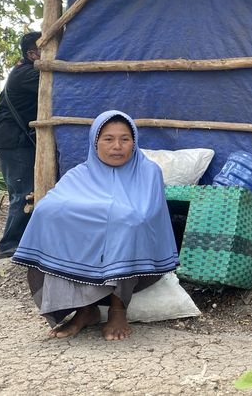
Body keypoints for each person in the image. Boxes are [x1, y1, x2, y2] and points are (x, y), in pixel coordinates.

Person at [12, 110, 179, 340]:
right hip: (90, 254)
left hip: (137, 261)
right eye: (108, 139)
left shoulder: (148, 172)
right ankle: (85, 310)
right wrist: (94, 218)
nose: (117, 146)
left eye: (125, 139)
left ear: (134, 142)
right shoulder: (80, 174)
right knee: (55, 219)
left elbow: (145, 216)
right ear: (95, 142)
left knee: (127, 223)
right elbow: (48, 208)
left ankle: (118, 308)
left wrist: (111, 216)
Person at [0, 32, 42, 259]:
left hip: (14, 139)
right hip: (12, 141)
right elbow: (62, 84)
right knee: (23, 192)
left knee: (24, 191)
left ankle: (22, 241)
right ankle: (9, 245)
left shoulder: (26, 70)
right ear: (32, 54)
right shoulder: (28, 74)